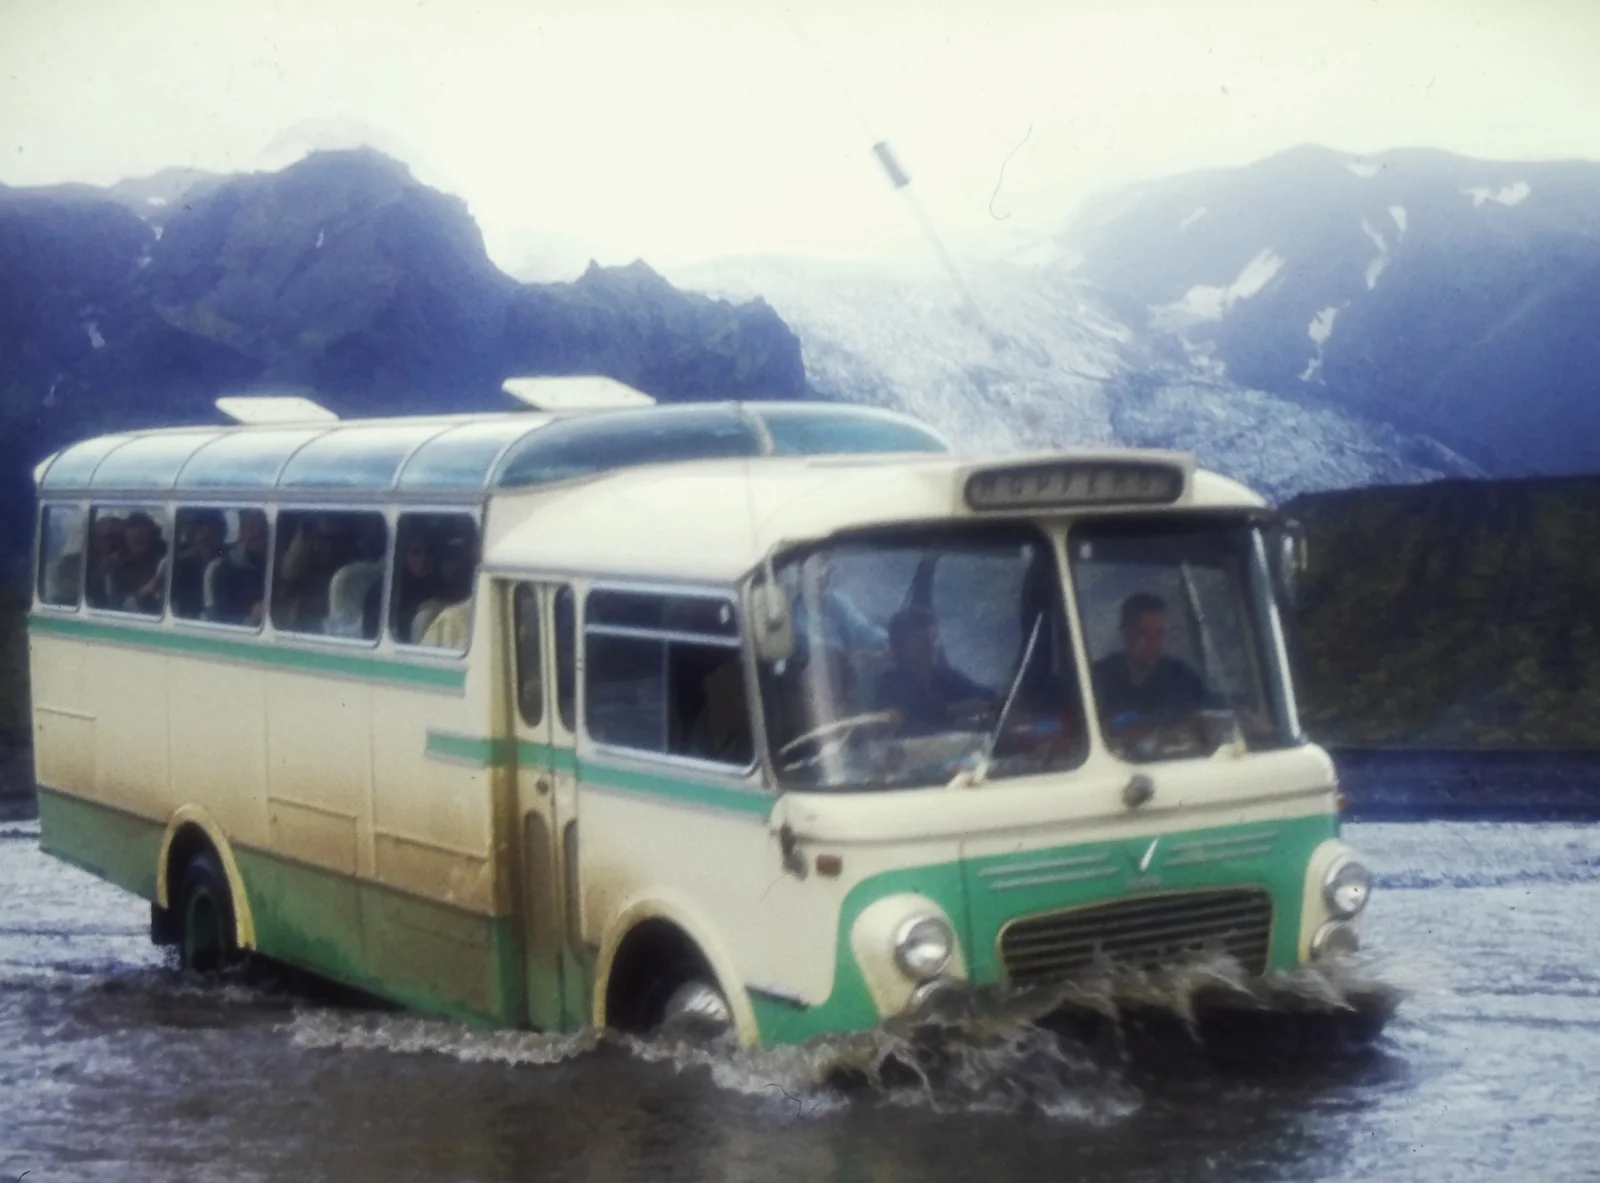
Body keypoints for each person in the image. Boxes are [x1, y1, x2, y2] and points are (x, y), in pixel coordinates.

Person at [874, 607, 996, 735]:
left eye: (933, 638)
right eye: (920, 641)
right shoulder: (888, 683)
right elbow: (922, 712)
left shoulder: (946, 676)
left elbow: (981, 694)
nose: (930, 646)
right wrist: (962, 708)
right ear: (899, 647)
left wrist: (997, 702)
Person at [1090, 592, 1206, 723]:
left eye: (1159, 633)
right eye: (1143, 633)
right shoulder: (1097, 679)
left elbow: (1200, 726)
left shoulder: (1184, 680)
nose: (1153, 641)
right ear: (1125, 634)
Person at [208, 510, 269, 627]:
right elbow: (219, 618)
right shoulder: (222, 570)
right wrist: (251, 615)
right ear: (242, 531)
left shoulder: (277, 565)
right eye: (250, 526)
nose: (256, 533)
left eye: (261, 526)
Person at [171, 510, 227, 619]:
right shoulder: (182, 565)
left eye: (213, 530)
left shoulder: (230, 562)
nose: (205, 536)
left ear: (222, 533)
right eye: (200, 530)